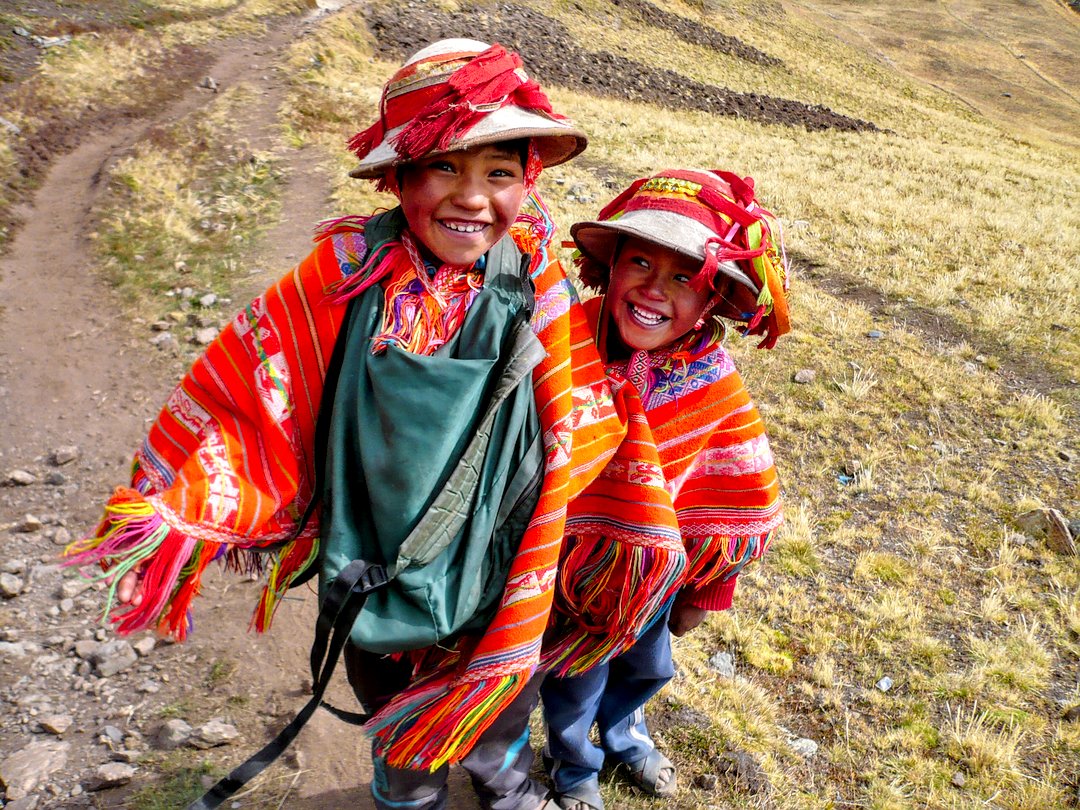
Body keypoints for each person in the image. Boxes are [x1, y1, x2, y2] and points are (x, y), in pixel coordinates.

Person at [64, 39, 630, 810]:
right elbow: (252, 383)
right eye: (445, 168)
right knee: (392, 703)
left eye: (499, 173)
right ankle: (409, 797)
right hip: (372, 559)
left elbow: (573, 411)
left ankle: (505, 785)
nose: (473, 198)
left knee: (500, 698)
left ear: (526, 179)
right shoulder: (342, 274)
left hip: (499, 548)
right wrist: (180, 505)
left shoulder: (536, 274)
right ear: (399, 177)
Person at [538, 168, 791, 810]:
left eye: (684, 277)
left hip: (657, 579)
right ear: (610, 265)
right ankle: (574, 768)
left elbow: (733, 500)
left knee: (650, 667)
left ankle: (627, 736)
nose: (654, 290)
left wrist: (711, 588)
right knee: (573, 681)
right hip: (568, 575)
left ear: (712, 301)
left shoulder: (714, 382)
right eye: (640, 263)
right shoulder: (565, 345)